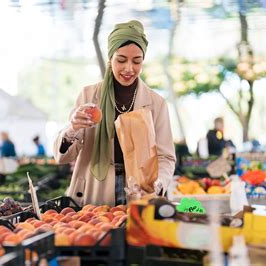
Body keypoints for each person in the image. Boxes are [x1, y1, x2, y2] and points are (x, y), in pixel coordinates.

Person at [53, 20, 176, 206]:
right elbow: (63, 157)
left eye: (137, 61)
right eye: (121, 60)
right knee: (97, 232)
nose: (129, 68)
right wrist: (73, 129)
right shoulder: (88, 96)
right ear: (110, 59)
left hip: (138, 191)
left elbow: (165, 156)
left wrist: (160, 182)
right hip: (94, 189)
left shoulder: (157, 103)